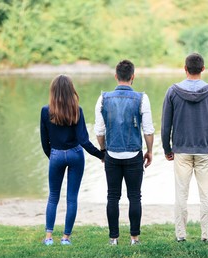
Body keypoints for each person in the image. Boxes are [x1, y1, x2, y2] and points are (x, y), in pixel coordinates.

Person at [161, 53, 208, 242]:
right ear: (203, 69)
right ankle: (206, 236)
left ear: (185, 68)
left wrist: (166, 148)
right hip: (206, 150)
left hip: (181, 150)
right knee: (206, 194)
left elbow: (166, 125)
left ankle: (181, 235)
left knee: (181, 194)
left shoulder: (173, 91)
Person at [94, 59, 154, 246]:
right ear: (133, 77)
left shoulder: (103, 98)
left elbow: (99, 131)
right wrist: (150, 151)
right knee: (134, 196)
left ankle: (113, 238)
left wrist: (103, 151)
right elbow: (148, 130)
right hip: (134, 155)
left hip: (112, 155)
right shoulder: (142, 98)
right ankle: (134, 238)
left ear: (116, 76)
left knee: (112, 196)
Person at [40, 74, 104, 246]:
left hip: (56, 154)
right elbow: (83, 140)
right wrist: (101, 155)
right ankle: (65, 238)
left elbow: (44, 141)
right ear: (71, 91)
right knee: (72, 198)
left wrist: (53, 156)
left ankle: (48, 237)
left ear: (53, 91)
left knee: (53, 197)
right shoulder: (77, 110)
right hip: (76, 155)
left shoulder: (46, 111)